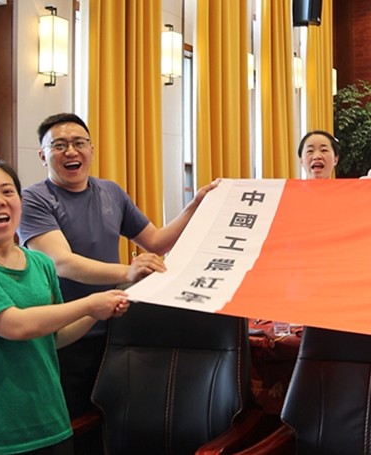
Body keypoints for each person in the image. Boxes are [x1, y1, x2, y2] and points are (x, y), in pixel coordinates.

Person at [17, 113, 219, 442]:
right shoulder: (33, 199)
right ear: (42, 155)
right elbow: (61, 262)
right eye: (59, 145)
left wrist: (194, 205)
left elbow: (156, 242)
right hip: (65, 335)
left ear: (92, 149)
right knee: (73, 428)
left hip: (117, 330)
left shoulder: (110, 192)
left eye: (79, 143)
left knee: (116, 425)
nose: (71, 151)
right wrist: (127, 271)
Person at [0, 157, 129, 454]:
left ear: (19, 202)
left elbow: (55, 337)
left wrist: (97, 311)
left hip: (51, 425)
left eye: (7, 191)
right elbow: (14, 325)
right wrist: (89, 303)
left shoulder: (40, 263)